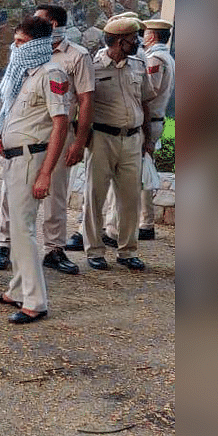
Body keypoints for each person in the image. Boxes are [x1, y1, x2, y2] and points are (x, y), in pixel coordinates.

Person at [0, 16, 70, 323]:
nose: (15, 47)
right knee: (16, 228)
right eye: (16, 41)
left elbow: (60, 124)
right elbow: (18, 120)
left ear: (37, 44)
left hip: (31, 160)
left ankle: (35, 302)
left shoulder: (52, 73)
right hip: (14, 157)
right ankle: (18, 288)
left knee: (23, 231)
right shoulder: (26, 75)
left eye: (21, 42)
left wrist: (46, 172)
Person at [0, 4, 93, 275]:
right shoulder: (23, 62)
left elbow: (84, 100)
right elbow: (10, 101)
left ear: (54, 26)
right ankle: (4, 244)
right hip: (22, 141)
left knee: (55, 193)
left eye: (38, 21)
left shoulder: (72, 58)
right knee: (10, 196)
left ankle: (53, 249)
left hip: (53, 137)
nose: (17, 46)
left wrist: (79, 142)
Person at [81, 17, 156, 271]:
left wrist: (148, 140)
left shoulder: (138, 64)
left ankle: (128, 251)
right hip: (102, 138)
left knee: (130, 197)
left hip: (133, 139)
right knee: (95, 196)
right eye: (133, 38)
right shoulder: (93, 67)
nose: (137, 42)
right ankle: (94, 250)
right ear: (119, 41)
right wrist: (83, 139)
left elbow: (145, 102)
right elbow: (82, 105)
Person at [117, 18, 174, 240]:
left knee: (138, 174)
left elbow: (149, 91)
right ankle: (144, 222)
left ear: (151, 36)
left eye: (145, 33)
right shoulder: (165, 56)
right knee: (142, 172)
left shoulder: (155, 59)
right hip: (154, 120)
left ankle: (145, 223)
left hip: (148, 121)